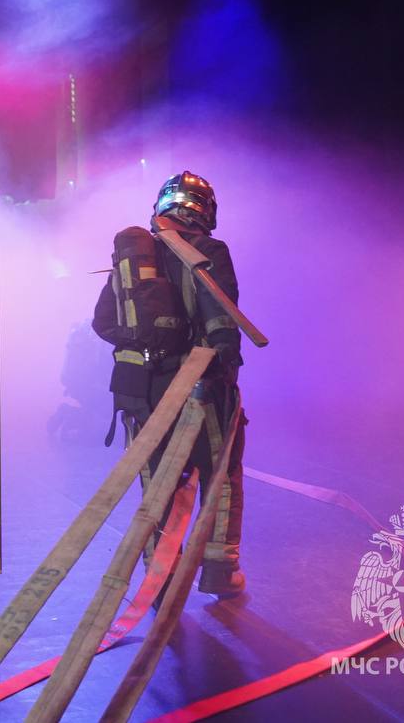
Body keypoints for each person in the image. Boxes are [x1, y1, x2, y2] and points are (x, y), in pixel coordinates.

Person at [91, 171, 246, 597]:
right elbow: (223, 320)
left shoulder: (132, 260)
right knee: (221, 476)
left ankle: (158, 585)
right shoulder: (210, 250)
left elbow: (102, 323)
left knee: (156, 485)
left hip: (140, 390)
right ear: (205, 209)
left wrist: (145, 349)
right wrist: (225, 368)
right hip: (200, 387)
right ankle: (219, 572)